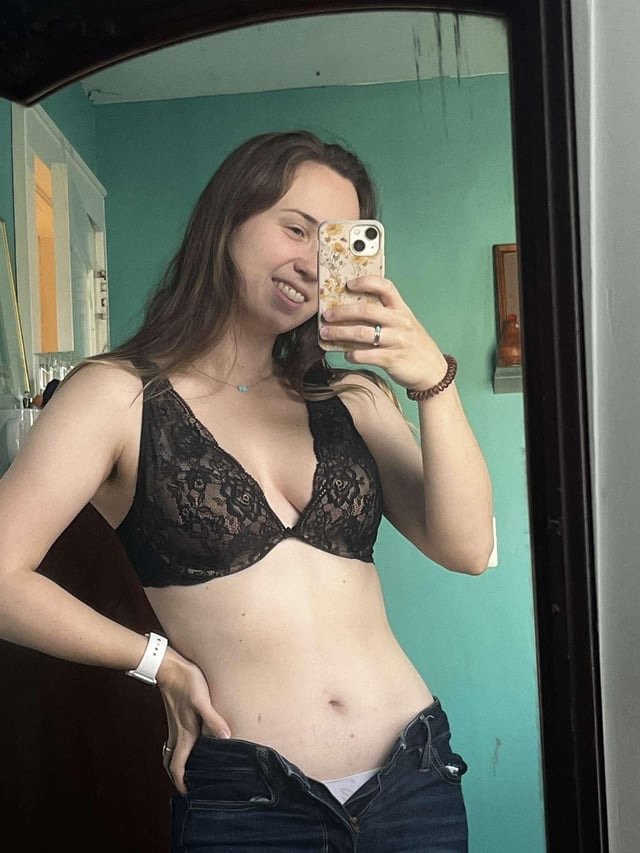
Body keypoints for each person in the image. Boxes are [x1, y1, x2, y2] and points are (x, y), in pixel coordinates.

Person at [0, 131, 493, 852]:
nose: (311, 261)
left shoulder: (353, 399)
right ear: (228, 219)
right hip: (249, 802)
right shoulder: (116, 396)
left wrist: (432, 382)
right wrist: (157, 661)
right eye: (295, 228)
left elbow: (469, 548)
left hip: (414, 780)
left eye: (334, 244)